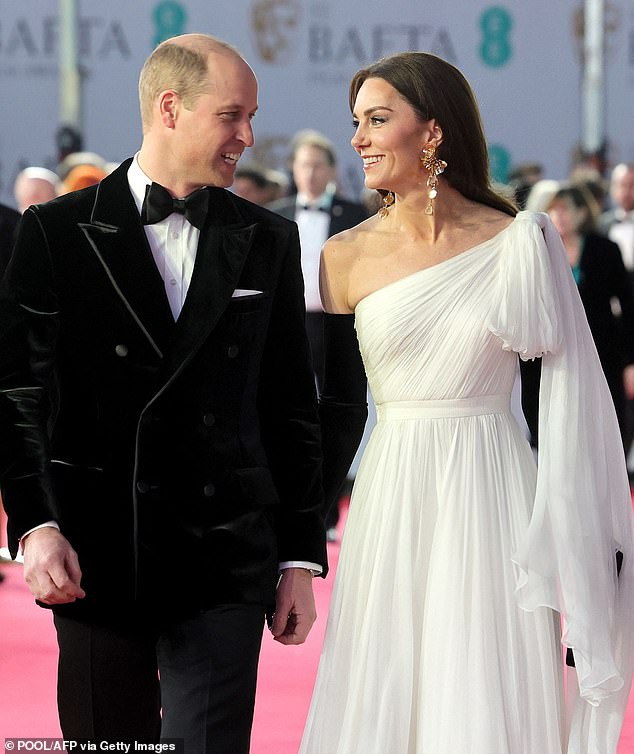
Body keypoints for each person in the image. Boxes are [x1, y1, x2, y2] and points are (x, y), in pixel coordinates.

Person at [299, 52, 634, 754]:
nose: (358, 139)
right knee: (391, 682)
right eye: (355, 122)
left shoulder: (520, 242)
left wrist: (580, 540)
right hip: (392, 496)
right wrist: (296, 548)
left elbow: (570, 400)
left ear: (432, 133)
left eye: (377, 120)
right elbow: (328, 410)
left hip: (496, 498)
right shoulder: (342, 258)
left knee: (485, 682)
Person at [0, 33, 326, 751]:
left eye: (252, 116)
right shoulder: (56, 232)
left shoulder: (266, 239)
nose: (248, 135)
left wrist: (300, 557)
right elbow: (19, 392)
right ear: (170, 108)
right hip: (96, 552)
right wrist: (35, 525)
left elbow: (290, 407)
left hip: (225, 554)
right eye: (232, 115)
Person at [268, 129, 368, 540]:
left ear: (330, 171)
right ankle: (286, 509)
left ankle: (327, 513)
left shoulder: (356, 215)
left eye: (317, 165)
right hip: (287, 325)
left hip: (337, 324)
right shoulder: (276, 213)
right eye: (303, 165)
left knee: (338, 412)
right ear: (293, 170)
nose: (309, 173)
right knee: (288, 415)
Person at [546, 183, 634, 437]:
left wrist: (630, 360)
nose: (558, 216)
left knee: (606, 421)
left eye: (565, 210)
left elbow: (627, 306)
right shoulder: (544, 249)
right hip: (558, 351)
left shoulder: (604, 249)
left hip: (603, 349)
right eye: (554, 210)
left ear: (583, 213)